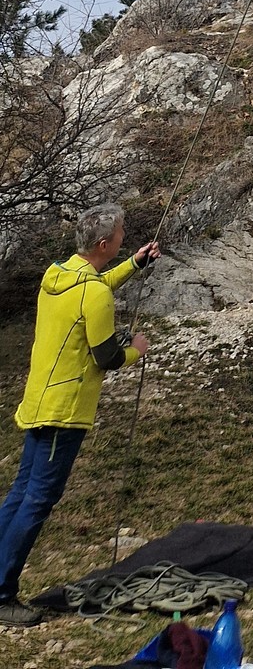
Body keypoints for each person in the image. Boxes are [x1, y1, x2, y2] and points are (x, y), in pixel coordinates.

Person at [0, 203, 158, 626]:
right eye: (122, 235)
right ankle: (1, 595)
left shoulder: (58, 275)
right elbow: (106, 356)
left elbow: (94, 285)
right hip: (64, 411)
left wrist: (133, 265)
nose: (125, 237)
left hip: (38, 402)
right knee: (37, 501)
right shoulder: (94, 293)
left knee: (19, 494)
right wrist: (136, 350)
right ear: (104, 243)